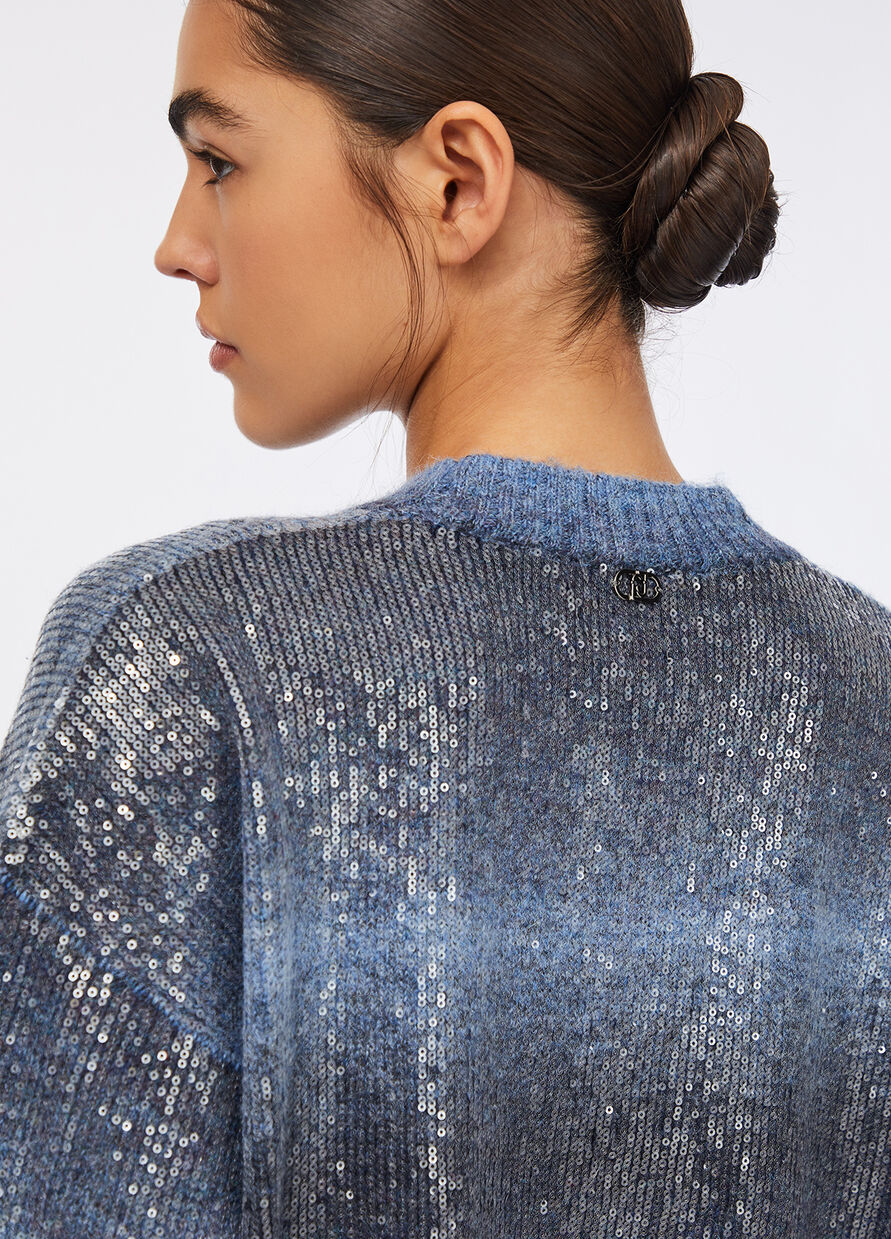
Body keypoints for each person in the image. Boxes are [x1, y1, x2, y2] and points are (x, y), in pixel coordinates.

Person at [0, 0, 888, 1235]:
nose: (177, 243)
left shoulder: (192, 672)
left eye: (219, 160)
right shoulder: (867, 701)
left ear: (459, 182)